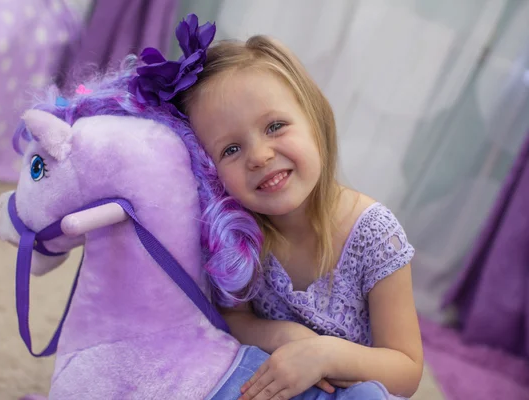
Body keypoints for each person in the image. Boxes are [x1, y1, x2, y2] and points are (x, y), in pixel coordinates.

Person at [173, 33, 423, 400]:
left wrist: (323, 354)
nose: (259, 156)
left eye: (275, 126)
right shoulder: (238, 231)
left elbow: (406, 368)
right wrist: (284, 337)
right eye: (231, 149)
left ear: (315, 118)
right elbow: (232, 317)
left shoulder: (376, 233)